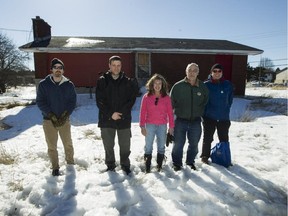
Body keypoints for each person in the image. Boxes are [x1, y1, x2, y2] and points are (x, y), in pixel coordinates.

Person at [96, 55, 138, 175]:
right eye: (113, 65)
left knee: (125, 146)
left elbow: (131, 100)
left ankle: (125, 165)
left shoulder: (127, 81)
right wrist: (111, 114)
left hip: (123, 119)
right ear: (109, 66)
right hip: (106, 119)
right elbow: (99, 100)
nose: (116, 67)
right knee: (108, 145)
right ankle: (110, 165)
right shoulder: (102, 80)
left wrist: (121, 113)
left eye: (118, 65)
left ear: (121, 66)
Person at [36, 58, 77, 176]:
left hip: (64, 120)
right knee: (51, 146)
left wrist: (65, 114)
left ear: (63, 70)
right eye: (55, 67)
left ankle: (70, 163)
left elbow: (72, 102)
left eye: (60, 68)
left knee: (68, 143)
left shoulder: (69, 85)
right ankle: (55, 167)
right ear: (51, 70)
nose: (58, 70)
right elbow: (40, 101)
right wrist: (50, 114)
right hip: (49, 121)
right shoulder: (44, 84)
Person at [170, 63, 209, 171]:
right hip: (180, 120)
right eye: (190, 70)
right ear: (186, 72)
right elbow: (170, 104)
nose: (192, 72)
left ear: (198, 72)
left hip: (195, 121)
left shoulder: (202, 87)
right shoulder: (178, 86)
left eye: (194, 70)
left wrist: (199, 112)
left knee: (194, 144)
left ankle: (190, 162)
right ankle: (177, 163)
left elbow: (205, 101)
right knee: (178, 144)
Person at [139, 74, 174, 173]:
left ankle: (159, 165)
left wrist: (171, 126)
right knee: (148, 145)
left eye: (160, 83)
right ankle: (147, 165)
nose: (157, 86)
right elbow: (142, 112)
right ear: (152, 85)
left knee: (161, 145)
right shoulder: (146, 97)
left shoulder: (166, 97)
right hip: (150, 125)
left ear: (163, 85)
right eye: (155, 83)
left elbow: (170, 113)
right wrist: (142, 126)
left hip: (162, 125)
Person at [200, 63, 233, 164]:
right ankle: (205, 156)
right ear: (211, 72)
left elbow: (230, 100)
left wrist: (225, 110)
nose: (217, 73)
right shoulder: (206, 85)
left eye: (219, 71)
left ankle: (225, 156)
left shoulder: (228, 84)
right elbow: (203, 101)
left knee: (224, 139)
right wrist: (205, 114)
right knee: (208, 138)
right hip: (209, 117)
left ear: (222, 73)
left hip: (223, 118)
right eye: (215, 71)